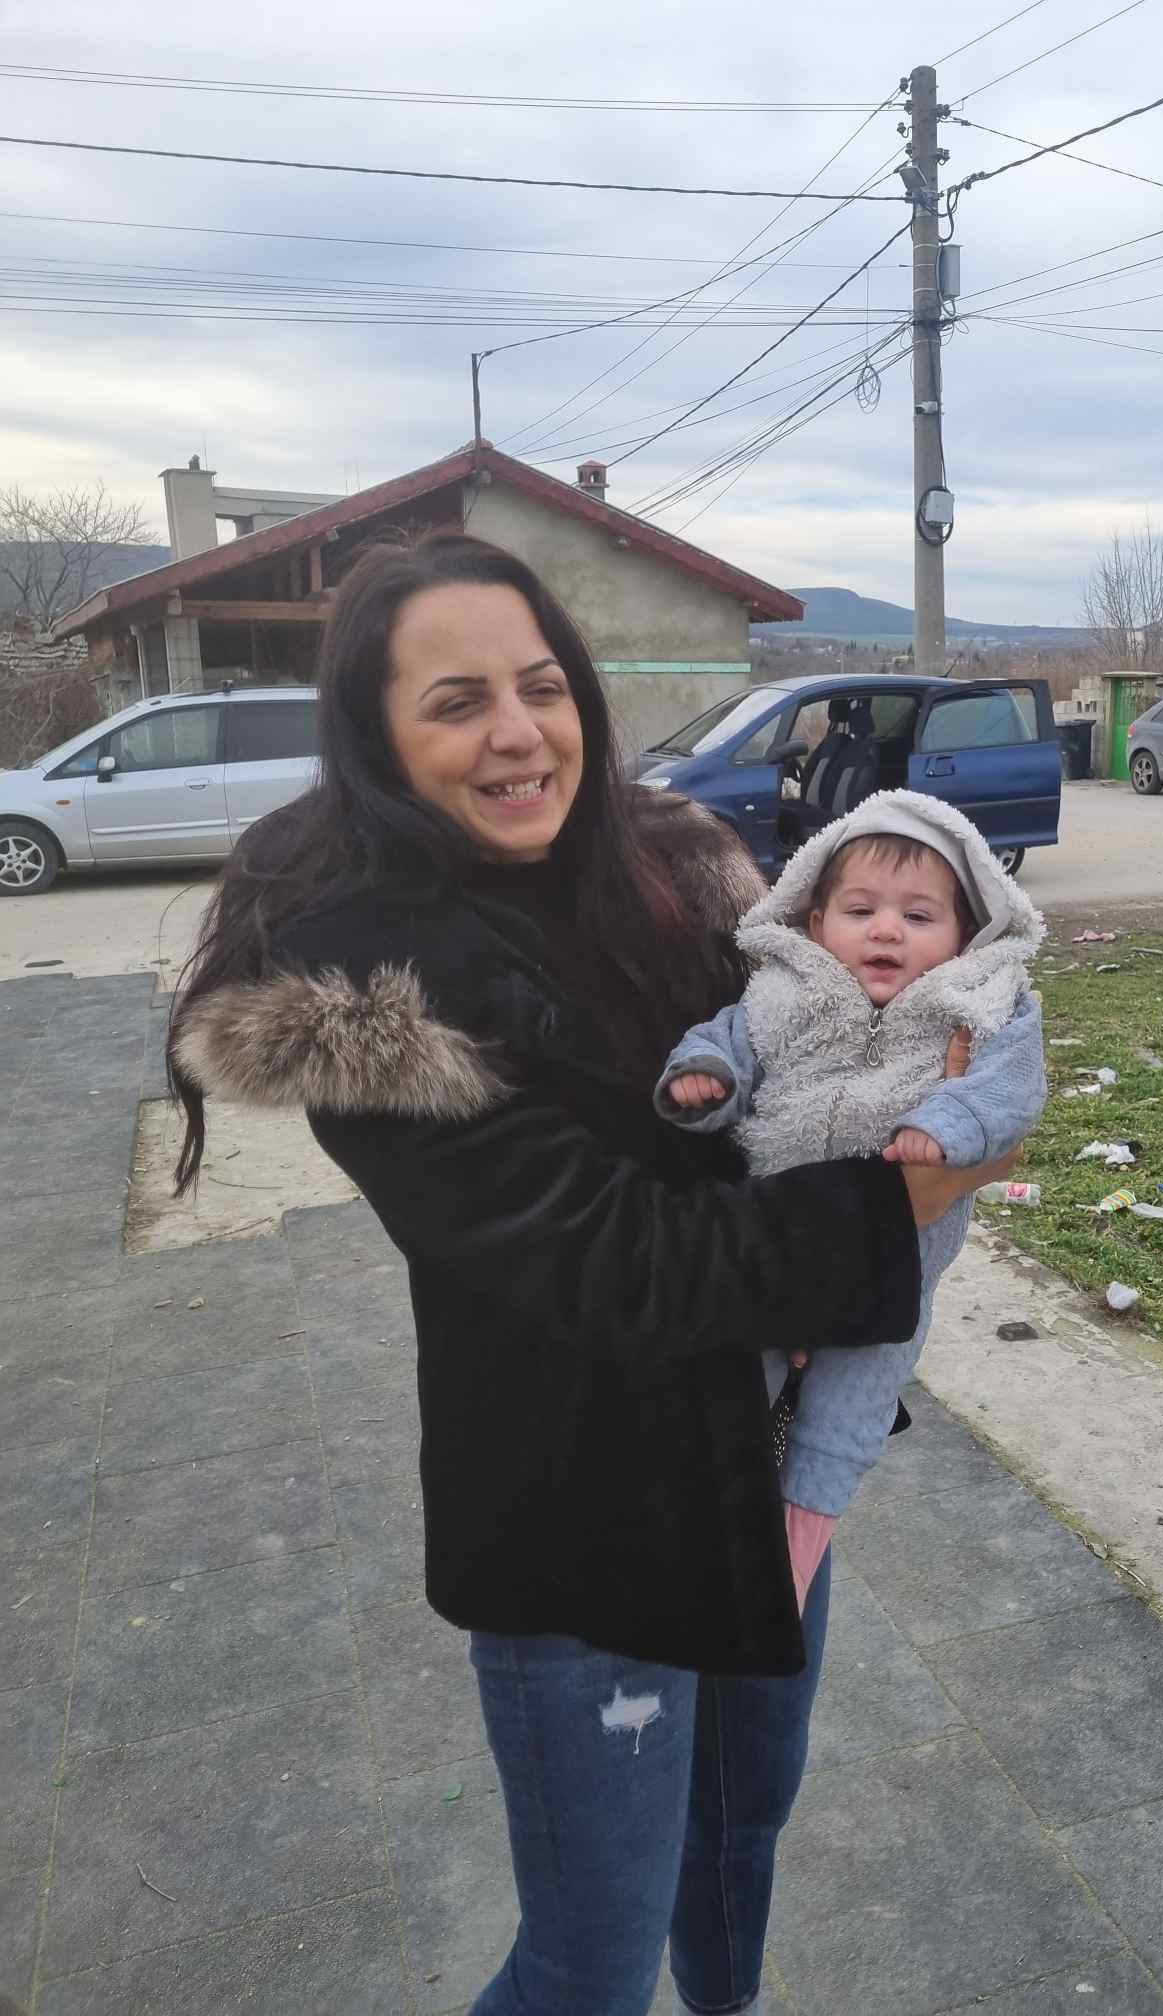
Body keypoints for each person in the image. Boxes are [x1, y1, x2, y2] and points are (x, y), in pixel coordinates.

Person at [167, 532, 1020, 2016]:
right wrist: (901, 1202)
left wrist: (964, 1061)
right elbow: (626, 1263)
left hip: (753, 1471)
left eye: (542, 687)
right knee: (589, 1964)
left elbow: (826, 1048)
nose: (517, 732)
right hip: (581, 1529)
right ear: (377, 737)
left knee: (737, 1842)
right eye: (457, 703)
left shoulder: (670, 871)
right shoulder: (361, 983)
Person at [655, 792, 1047, 1608]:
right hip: (772, 1249)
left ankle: (794, 1562)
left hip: (893, 1267)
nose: (886, 931)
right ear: (814, 919)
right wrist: (708, 1079)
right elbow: (725, 1042)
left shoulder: (980, 1003)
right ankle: (707, 1530)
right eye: (860, 911)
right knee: (733, 1387)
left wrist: (947, 1123)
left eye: (919, 916)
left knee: (848, 1410)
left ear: (967, 932)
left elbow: (1011, 1088)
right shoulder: (782, 992)